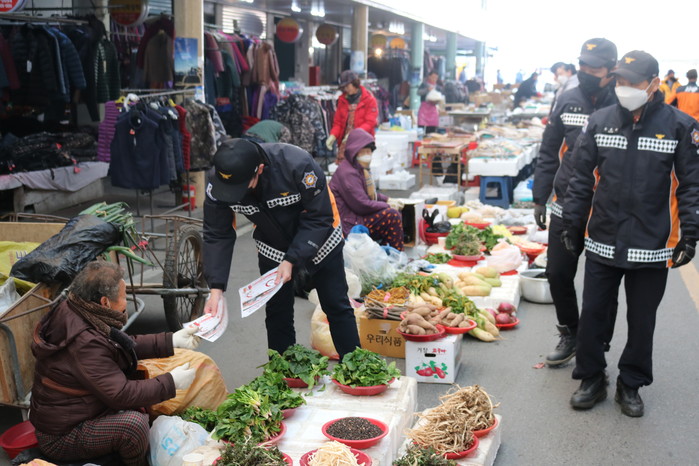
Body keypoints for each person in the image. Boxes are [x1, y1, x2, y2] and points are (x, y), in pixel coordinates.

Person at [562, 50, 699, 417]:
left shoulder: (680, 126)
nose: (624, 87)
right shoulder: (600, 121)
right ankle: (591, 377)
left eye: (632, 82)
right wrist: (573, 224)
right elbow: (581, 177)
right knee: (593, 314)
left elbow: (691, 185)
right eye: (620, 80)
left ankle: (631, 382)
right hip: (603, 238)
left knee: (642, 321)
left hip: (651, 244)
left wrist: (690, 234)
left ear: (653, 84)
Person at [202, 138, 361, 358]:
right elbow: (217, 233)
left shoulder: (298, 165)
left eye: (240, 187)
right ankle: (284, 372)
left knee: (335, 303)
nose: (234, 194)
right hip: (272, 242)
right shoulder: (218, 181)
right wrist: (216, 290)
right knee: (277, 310)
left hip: (321, 234)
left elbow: (319, 217)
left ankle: (354, 367)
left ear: (259, 169)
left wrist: (292, 259)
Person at [30, 261, 199, 465]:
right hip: (62, 437)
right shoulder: (84, 342)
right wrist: (171, 382)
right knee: (133, 426)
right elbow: (121, 394)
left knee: (141, 397)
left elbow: (121, 345)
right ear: (105, 302)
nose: (126, 302)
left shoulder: (78, 308)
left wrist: (170, 341)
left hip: (79, 412)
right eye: (123, 296)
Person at [533, 38, 619, 367]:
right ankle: (571, 331)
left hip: (606, 209)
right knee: (557, 273)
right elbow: (549, 149)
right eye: (583, 65)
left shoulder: (624, 104)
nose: (586, 72)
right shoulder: (567, 100)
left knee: (603, 285)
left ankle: (597, 342)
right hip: (566, 202)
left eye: (594, 68)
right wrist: (540, 197)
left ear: (611, 70)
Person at [329, 128, 404, 251]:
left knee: (394, 213)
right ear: (354, 152)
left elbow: (368, 194)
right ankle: (396, 255)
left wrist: (387, 199)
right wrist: (387, 205)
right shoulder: (347, 173)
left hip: (356, 216)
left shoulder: (357, 169)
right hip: (349, 221)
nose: (368, 156)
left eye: (369, 152)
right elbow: (361, 205)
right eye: (364, 152)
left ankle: (388, 253)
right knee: (392, 216)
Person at [326, 70, 378, 163]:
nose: (346, 89)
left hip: (363, 141)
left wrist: (354, 134)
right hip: (345, 142)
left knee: (359, 166)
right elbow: (338, 122)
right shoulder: (342, 100)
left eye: (347, 86)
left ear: (355, 83)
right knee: (344, 167)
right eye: (344, 87)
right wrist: (333, 135)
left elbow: (370, 123)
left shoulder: (369, 99)